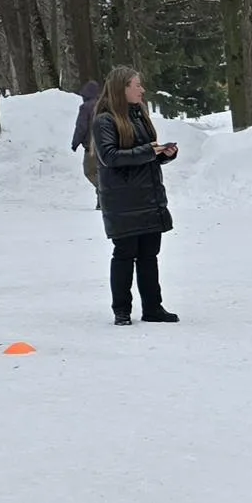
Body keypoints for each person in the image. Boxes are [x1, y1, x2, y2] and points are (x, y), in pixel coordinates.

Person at [91, 66, 179, 324]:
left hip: (148, 198)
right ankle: (122, 311)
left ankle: (153, 308)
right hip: (123, 202)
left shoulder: (140, 115)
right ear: (123, 89)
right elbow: (110, 158)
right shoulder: (104, 120)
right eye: (136, 85)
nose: (142, 90)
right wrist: (149, 152)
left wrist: (162, 155)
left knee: (150, 254)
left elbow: (144, 155)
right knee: (125, 253)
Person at [70, 80, 102, 208]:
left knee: (89, 171)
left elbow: (81, 127)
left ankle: (102, 192)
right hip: (104, 145)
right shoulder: (102, 105)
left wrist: (75, 142)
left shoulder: (85, 107)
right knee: (101, 171)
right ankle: (103, 195)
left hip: (91, 147)